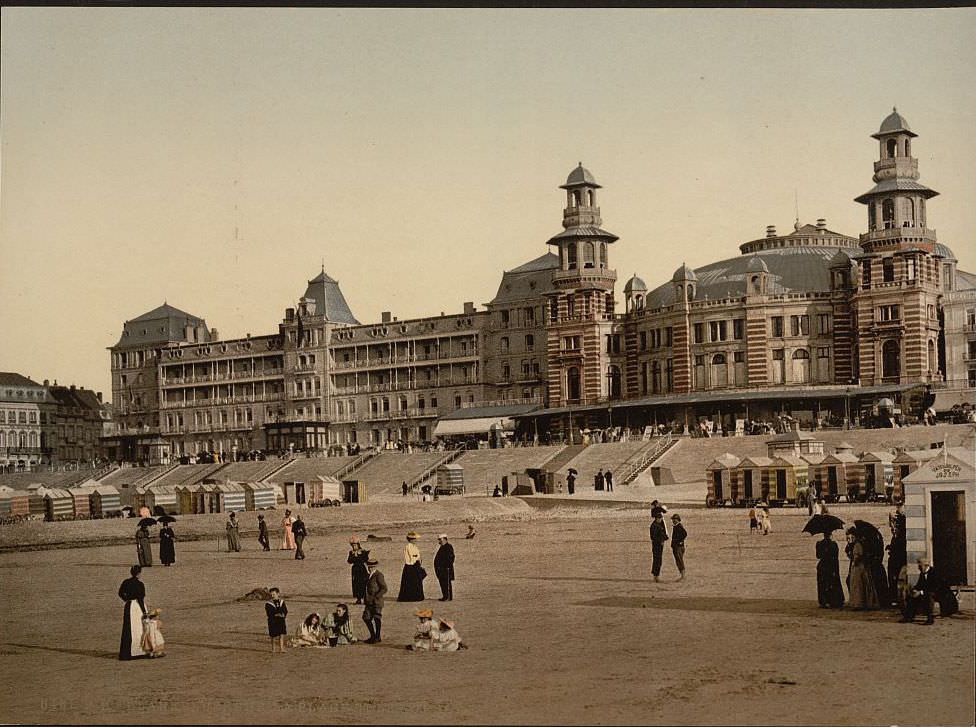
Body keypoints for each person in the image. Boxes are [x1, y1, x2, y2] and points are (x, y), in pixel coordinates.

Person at [900, 558, 958, 624]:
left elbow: (934, 587)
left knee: (928, 596)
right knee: (912, 597)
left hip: (942, 594)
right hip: (930, 592)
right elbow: (919, 585)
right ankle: (909, 617)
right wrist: (915, 590)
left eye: (920, 566)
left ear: (926, 566)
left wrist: (921, 592)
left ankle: (930, 619)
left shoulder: (935, 573)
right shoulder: (922, 573)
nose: (919, 568)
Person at [118, 565, 148, 660]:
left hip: (129, 605)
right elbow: (140, 599)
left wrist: (126, 599)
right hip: (137, 607)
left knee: (128, 628)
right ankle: (138, 651)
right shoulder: (140, 584)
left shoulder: (126, 582)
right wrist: (144, 612)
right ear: (139, 573)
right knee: (138, 628)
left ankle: (127, 651)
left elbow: (120, 593)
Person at [846, 530, 880, 610]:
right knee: (861, 584)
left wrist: (853, 559)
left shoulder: (857, 545)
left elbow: (857, 556)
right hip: (861, 566)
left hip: (858, 567)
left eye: (853, 537)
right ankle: (861, 602)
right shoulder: (859, 544)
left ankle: (858, 603)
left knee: (857, 584)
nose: (852, 538)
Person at [815, 531, 845, 609]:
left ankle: (825, 601)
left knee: (824, 583)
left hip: (824, 565)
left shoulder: (821, 544)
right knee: (829, 583)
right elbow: (835, 558)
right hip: (829, 565)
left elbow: (818, 556)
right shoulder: (832, 544)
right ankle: (830, 601)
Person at [363, 557, 387, 644]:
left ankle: (377, 636)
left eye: (372, 567)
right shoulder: (367, 575)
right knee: (366, 618)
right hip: (369, 601)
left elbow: (384, 588)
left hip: (377, 602)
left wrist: (376, 596)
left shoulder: (379, 575)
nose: (370, 568)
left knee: (377, 618)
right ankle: (373, 636)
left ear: (375, 567)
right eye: (369, 566)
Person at [397, 532, 426, 601]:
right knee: (410, 582)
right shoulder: (408, 546)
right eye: (414, 539)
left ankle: (416, 597)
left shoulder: (414, 546)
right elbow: (412, 556)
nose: (416, 540)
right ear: (411, 539)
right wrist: (417, 559)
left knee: (416, 582)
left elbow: (418, 555)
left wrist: (419, 561)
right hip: (410, 566)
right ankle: (410, 597)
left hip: (415, 565)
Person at [347, 537, 370, 604]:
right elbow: (349, 561)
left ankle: (365, 598)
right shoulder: (351, 552)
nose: (354, 546)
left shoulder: (363, 551)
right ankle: (358, 598)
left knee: (364, 583)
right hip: (355, 570)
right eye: (353, 545)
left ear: (358, 545)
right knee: (356, 584)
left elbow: (366, 560)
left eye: (355, 545)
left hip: (362, 569)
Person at [265, 587, 288, 653]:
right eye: (271, 595)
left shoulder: (282, 602)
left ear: (278, 594)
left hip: (281, 620)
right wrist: (276, 615)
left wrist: (283, 614)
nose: (272, 596)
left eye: (274, 594)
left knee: (281, 634)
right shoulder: (268, 603)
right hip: (273, 621)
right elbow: (269, 612)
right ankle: (273, 649)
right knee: (273, 636)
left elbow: (285, 610)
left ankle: (281, 648)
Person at [434, 534, 455, 601]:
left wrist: (446, 566)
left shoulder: (448, 546)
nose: (439, 541)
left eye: (440, 539)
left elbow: (451, 558)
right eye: (439, 539)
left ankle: (448, 597)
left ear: (445, 539)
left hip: (445, 569)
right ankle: (445, 596)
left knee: (446, 583)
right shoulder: (443, 546)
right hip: (441, 569)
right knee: (442, 583)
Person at [649, 511, 669, 582]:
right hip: (657, 546)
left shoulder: (657, 525)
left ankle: (656, 575)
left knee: (657, 560)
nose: (661, 520)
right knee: (657, 561)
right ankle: (656, 576)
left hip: (658, 545)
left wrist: (664, 538)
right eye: (660, 518)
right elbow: (653, 537)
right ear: (657, 518)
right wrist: (662, 539)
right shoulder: (655, 526)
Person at [670, 514, 687, 580]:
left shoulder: (679, 526)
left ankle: (683, 575)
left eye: (674, 519)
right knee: (678, 560)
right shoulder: (676, 526)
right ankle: (682, 575)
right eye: (673, 519)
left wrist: (680, 541)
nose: (673, 521)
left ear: (678, 520)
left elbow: (685, 534)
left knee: (679, 560)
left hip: (678, 546)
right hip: (676, 546)